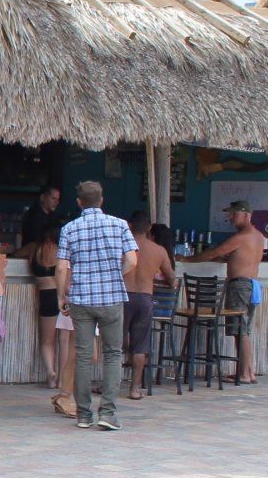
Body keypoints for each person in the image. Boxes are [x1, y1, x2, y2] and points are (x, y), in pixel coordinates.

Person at [55, 180, 139, 430]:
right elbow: (132, 261)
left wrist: (61, 296)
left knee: (82, 355)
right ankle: (108, 413)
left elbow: (61, 267)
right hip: (111, 298)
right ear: (101, 201)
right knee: (113, 354)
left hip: (81, 299)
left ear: (79, 202)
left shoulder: (70, 228)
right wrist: (114, 275)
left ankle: (83, 414)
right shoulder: (120, 225)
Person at [189, 199, 268, 384]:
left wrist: (188, 258)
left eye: (234, 214)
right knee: (244, 329)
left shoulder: (241, 237)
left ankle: (245, 374)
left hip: (240, 285)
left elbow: (213, 253)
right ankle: (247, 371)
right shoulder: (258, 236)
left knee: (239, 329)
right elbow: (241, 257)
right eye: (230, 214)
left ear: (246, 215)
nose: (230, 217)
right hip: (252, 285)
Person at [124, 212, 175, 399]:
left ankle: (108, 386)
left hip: (122, 298)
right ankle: (134, 389)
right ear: (148, 229)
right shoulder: (159, 251)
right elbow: (171, 278)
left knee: (113, 345)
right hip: (145, 299)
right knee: (140, 345)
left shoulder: (121, 247)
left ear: (129, 226)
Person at [15, 223, 63, 389]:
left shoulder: (34, 248)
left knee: (47, 341)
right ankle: (63, 378)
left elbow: (13, 254)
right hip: (63, 297)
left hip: (46, 296)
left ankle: (51, 374)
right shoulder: (65, 252)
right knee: (64, 342)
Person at [20, 184, 65, 249]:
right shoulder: (32, 216)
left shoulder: (54, 217)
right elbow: (36, 240)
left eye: (57, 199)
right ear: (42, 198)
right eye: (53, 198)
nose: (56, 202)